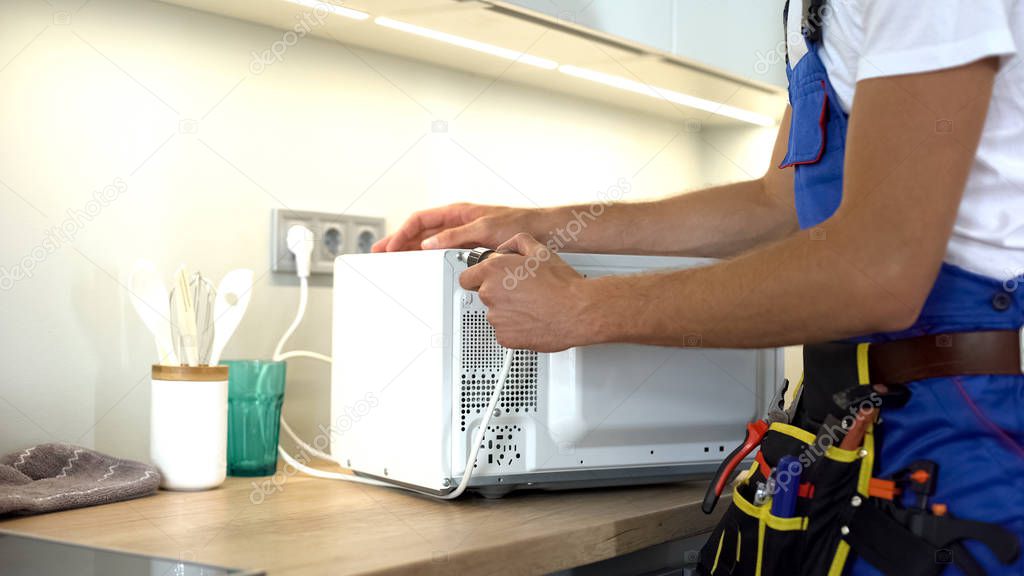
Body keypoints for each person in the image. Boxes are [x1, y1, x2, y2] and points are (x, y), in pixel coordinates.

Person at [375, 0, 1024, 573]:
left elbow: (879, 267)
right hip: (850, 418)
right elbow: (781, 202)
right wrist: (541, 223)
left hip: (958, 424)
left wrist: (583, 308)